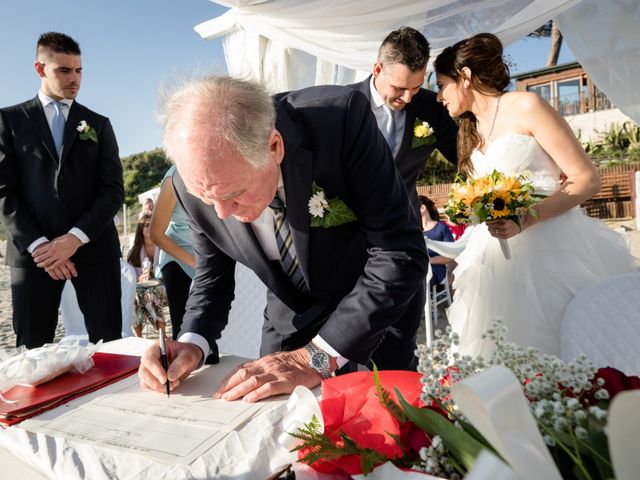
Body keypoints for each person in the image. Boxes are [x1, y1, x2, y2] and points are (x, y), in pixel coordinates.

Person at [138, 76, 428, 402]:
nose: (221, 213)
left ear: (274, 146)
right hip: (290, 315)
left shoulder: (339, 120)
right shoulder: (192, 184)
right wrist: (192, 342)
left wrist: (315, 359)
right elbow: (211, 279)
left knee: (389, 416)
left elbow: (399, 252)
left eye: (234, 194)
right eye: (207, 198)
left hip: (375, 304)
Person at [433, 33, 636, 357]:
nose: (439, 96)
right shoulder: (468, 131)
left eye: (442, 84)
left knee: (560, 346)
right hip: (492, 262)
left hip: (550, 250)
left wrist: (526, 218)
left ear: (465, 77)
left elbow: (587, 179)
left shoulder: (527, 105)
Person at [0, 32, 124, 348]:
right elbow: (3, 191)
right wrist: (42, 247)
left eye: (79, 70)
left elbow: (113, 190)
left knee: (108, 345)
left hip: (94, 249)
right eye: (64, 71)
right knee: (33, 348)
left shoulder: (98, 124)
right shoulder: (9, 120)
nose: (75, 79)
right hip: (34, 256)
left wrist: (73, 239)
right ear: (40, 69)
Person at [349, 26, 457, 216]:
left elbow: (463, 157)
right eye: (398, 88)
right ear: (377, 69)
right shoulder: (344, 106)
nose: (407, 98)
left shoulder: (432, 108)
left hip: (405, 223)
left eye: (416, 87)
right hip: (350, 227)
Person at [150, 165, 196, 340]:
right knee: (186, 333)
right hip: (179, 260)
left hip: (208, 256)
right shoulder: (173, 180)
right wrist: (194, 262)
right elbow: (155, 234)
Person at [127, 213, 167, 337]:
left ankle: (162, 334)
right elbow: (130, 278)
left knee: (151, 292)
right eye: (147, 225)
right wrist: (139, 278)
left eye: (152, 225)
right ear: (140, 229)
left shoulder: (163, 248)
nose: (150, 228)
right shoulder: (134, 252)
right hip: (142, 288)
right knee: (135, 296)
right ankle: (138, 336)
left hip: (164, 287)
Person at [419, 195, 453, 288]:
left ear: (422, 208)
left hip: (435, 269)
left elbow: (451, 255)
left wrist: (430, 261)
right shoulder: (413, 230)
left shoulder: (441, 228)